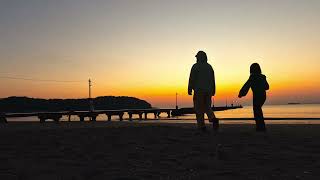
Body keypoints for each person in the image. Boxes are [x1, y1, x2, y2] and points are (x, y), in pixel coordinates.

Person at [188, 51, 218, 131]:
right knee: (208, 107)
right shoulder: (209, 67)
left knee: (198, 109)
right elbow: (213, 80)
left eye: (197, 57)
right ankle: (213, 119)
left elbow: (192, 78)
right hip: (208, 91)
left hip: (198, 90)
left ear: (199, 57)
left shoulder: (195, 66)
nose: (196, 58)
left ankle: (201, 126)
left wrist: (189, 88)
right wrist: (213, 90)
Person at [238, 63, 269, 132]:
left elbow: (246, 85)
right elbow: (267, 87)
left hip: (257, 96)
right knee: (258, 110)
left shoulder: (252, 77)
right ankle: (261, 127)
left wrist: (241, 93)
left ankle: (260, 127)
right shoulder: (262, 76)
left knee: (257, 111)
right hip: (263, 96)